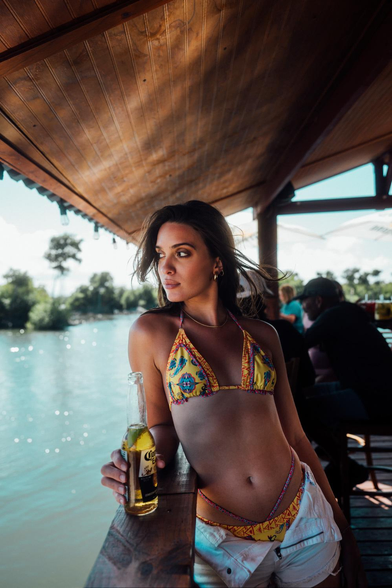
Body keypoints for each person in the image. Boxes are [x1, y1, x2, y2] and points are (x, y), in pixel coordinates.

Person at [100, 201, 366, 588]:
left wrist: (342, 525)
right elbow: (160, 424)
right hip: (223, 540)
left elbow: (294, 436)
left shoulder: (263, 335)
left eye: (182, 253)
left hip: (304, 520)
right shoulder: (152, 332)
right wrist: (138, 459)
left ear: (217, 262)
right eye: (160, 255)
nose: (166, 267)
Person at [294, 277, 392, 493]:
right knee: (303, 396)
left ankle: (345, 466)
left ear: (318, 300)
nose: (303, 305)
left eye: (306, 300)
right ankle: (338, 463)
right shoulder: (345, 313)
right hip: (371, 391)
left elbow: (300, 344)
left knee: (302, 409)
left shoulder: (333, 316)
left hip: (374, 399)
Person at [238, 272, 315, 395]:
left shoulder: (228, 338)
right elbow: (308, 378)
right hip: (296, 406)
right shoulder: (284, 330)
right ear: (262, 301)